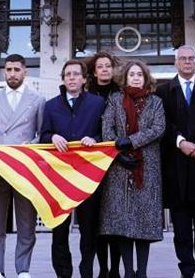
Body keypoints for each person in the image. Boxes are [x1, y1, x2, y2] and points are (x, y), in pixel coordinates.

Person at [156, 45, 195, 278]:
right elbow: (162, 125)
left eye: (191, 58)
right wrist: (180, 142)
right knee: (181, 230)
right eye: (182, 59)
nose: (187, 62)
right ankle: (186, 270)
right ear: (176, 63)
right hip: (176, 170)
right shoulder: (163, 91)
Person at [38, 58, 104, 278]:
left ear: (84, 79)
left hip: (88, 175)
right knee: (60, 231)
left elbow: (105, 134)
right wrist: (53, 136)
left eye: (76, 74)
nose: (72, 78)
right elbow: (43, 136)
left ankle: (87, 271)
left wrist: (94, 139)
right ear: (63, 79)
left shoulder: (97, 103)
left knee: (89, 229)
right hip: (58, 177)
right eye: (68, 75)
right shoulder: (51, 105)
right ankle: (63, 273)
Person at [99, 60, 165, 278]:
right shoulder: (115, 100)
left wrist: (131, 141)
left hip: (146, 169)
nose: (136, 78)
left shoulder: (155, 102)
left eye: (140, 74)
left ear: (146, 78)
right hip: (119, 168)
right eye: (132, 74)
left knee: (143, 224)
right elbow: (107, 129)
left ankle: (142, 272)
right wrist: (119, 152)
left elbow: (158, 128)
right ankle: (128, 272)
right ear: (125, 78)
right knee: (123, 224)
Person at [0, 53, 44, 278]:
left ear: (25, 71)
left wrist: (31, 145)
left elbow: (41, 134)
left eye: (17, 69)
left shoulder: (37, 99)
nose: (12, 74)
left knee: (26, 223)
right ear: (4, 71)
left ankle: (23, 270)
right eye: (8, 69)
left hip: (25, 170)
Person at [85, 51, 121, 278]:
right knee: (97, 220)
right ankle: (103, 268)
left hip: (117, 163)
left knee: (115, 219)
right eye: (101, 66)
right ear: (94, 71)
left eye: (108, 66)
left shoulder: (121, 93)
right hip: (93, 162)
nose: (105, 69)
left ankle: (116, 269)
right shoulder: (87, 95)